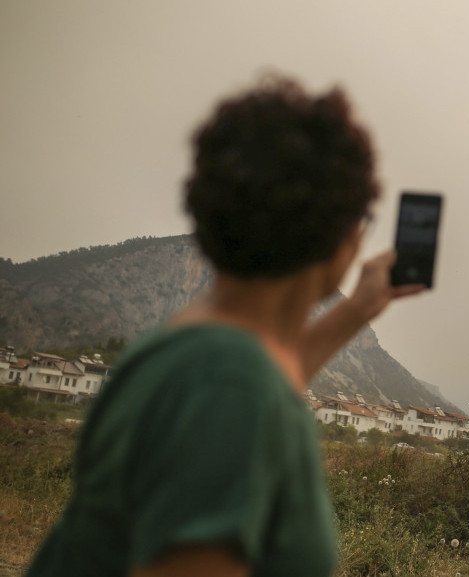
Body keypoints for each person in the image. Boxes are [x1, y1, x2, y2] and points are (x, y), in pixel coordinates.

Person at [26, 75, 423, 576]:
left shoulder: (198, 352)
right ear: (343, 232)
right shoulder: (227, 383)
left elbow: (271, 373)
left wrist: (359, 308)